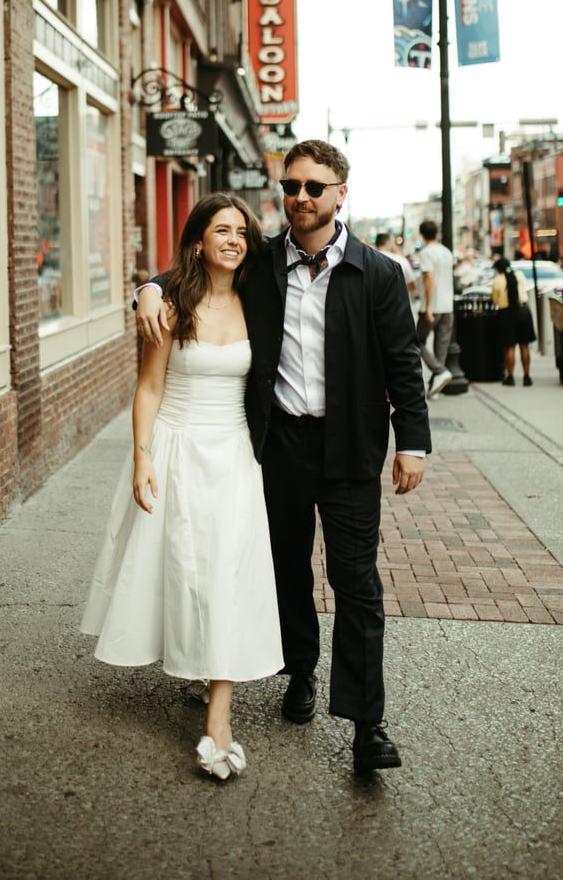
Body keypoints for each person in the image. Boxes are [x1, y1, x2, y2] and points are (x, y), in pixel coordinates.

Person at [136, 141, 430, 774]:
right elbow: (196, 268)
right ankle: (300, 669)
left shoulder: (376, 272)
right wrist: (146, 289)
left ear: (340, 195)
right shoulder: (264, 263)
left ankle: (366, 724)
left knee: (355, 583)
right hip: (280, 445)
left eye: (315, 188)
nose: (301, 197)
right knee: (287, 569)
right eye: (292, 186)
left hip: (350, 448)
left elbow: (404, 363)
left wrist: (412, 440)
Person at [82, 193, 282, 782]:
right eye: (222, 230)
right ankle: (197, 662)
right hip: (176, 445)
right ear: (198, 240)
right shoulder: (170, 304)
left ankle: (219, 718)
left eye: (242, 232)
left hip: (235, 454)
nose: (234, 240)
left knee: (228, 572)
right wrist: (142, 458)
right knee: (184, 568)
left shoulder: (258, 298)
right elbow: (148, 387)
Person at [417, 219, 455, 398]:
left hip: (433, 306)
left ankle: (439, 371)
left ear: (422, 234)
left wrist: (429, 307)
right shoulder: (446, 252)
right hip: (448, 305)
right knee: (442, 344)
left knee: (416, 341)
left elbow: (429, 280)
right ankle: (436, 385)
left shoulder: (426, 253)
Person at [491, 257, 535, 386]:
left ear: (498, 269)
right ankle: (527, 376)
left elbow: (495, 300)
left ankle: (510, 376)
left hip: (507, 314)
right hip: (523, 311)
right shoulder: (519, 275)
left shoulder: (497, 280)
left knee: (510, 346)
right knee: (524, 345)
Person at [374, 232, 419, 316]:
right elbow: (412, 284)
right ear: (389, 243)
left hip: (374, 310)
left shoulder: (367, 260)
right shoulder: (400, 260)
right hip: (399, 309)